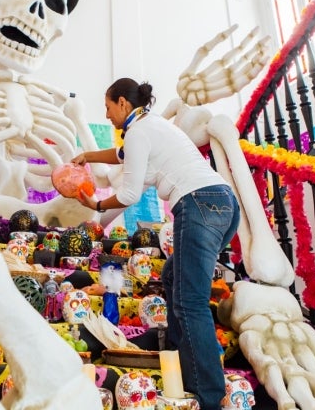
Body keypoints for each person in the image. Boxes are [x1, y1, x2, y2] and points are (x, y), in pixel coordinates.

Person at [71, 77, 240, 410]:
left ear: (123, 103)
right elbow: (120, 156)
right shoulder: (152, 127)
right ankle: (179, 359)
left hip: (198, 204)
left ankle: (207, 396)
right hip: (224, 204)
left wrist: (95, 206)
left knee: (189, 301)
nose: (106, 115)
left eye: (107, 107)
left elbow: (131, 193)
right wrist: (86, 156)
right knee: (174, 277)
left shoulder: (138, 133)